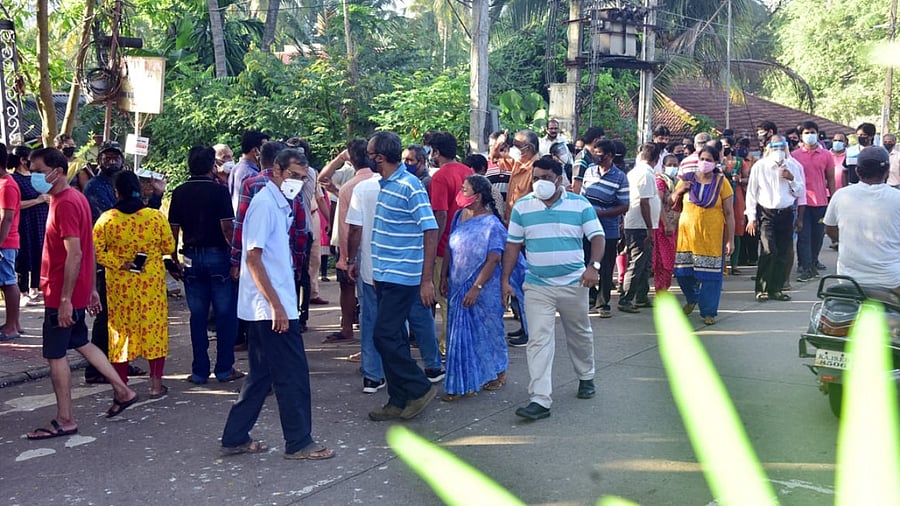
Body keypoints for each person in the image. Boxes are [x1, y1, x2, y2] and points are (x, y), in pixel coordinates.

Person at [220, 148, 334, 461]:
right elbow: (252, 257)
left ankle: (235, 436)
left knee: (262, 374)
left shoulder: (281, 203)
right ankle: (298, 442)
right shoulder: (265, 204)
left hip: (270, 306)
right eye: (292, 176)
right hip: (270, 308)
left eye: (301, 178)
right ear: (277, 172)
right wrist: (277, 306)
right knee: (292, 374)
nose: (296, 183)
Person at [25, 148, 139, 439]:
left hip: (61, 292)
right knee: (82, 342)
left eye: (38, 171)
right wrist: (89, 290)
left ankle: (65, 418)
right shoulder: (75, 197)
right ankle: (123, 390)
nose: (34, 176)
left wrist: (65, 299)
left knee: (55, 355)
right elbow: (87, 248)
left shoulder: (65, 203)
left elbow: (74, 253)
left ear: (57, 171)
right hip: (73, 290)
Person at [501, 155, 603, 421]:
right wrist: (505, 280)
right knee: (538, 341)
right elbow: (513, 245)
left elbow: (597, 236)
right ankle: (540, 400)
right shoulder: (523, 207)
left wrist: (594, 267)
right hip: (537, 286)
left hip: (574, 283)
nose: (539, 183)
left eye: (545, 178)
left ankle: (586, 376)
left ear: (559, 179)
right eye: (536, 178)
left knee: (579, 334)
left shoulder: (579, 204)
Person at [353, 131, 439, 422]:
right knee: (393, 336)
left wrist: (426, 279)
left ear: (379, 157)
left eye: (371, 152)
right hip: (385, 275)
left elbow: (430, 229)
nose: (368, 157)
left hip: (404, 275)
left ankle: (418, 387)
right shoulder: (386, 184)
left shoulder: (409, 185)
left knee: (383, 334)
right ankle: (398, 398)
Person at [93, 171, 174, 397]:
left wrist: (120, 263)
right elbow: (169, 246)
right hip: (151, 285)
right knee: (154, 330)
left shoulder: (107, 219)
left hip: (120, 286)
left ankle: (122, 387)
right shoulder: (155, 217)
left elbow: (95, 252)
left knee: (120, 333)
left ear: (116, 192)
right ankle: (156, 386)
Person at [169, 146, 242, 385]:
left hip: (190, 256)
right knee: (224, 313)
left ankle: (199, 370)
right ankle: (224, 368)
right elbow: (227, 228)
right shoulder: (219, 192)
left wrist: (172, 259)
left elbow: (173, 230)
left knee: (197, 315)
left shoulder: (179, 192)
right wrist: (235, 257)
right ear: (212, 165)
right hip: (218, 255)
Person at [82, 141, 151, 383]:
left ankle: (120, 361)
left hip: (127, 262)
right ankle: (96, 369)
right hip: (106, 261)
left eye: (115, 156)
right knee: (106, 316)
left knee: (123, 316)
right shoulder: (95, 187)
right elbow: (115, 216)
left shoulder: (119, 183)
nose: (111, 160)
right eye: (107, 156)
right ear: (99, 159)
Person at [439, 175, 510, 401]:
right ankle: (464, 382)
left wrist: (477, 287)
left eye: (465, 190)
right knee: (458, 335)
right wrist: (443, 275)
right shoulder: (459, 216)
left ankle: (497, 372)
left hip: (484, 288)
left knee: (488, 333)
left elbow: (494, 259)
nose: (461, 194)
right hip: (457, 284)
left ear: (477, 196)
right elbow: (450, 246)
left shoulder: (492, 225)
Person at [672, 146, 735, 325]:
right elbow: (670, 201)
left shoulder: (722, 182)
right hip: (687, 235)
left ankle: (708, 312)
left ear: (716, 162)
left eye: (709, 160)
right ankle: (692, 298)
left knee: (711, 277)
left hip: (711, 236)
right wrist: (679, 190)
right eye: (702, 159)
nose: (705, 163)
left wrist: (730, 240)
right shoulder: (687, 179)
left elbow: (729, 213)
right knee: (683, 273)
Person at [824, 146, 900, 293]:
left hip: (849, 280)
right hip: (891, 281)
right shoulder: (897, 198)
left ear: (857, 171)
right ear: (888, 171)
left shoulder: (841, 196)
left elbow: (830, 229)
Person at [316, 140, 370, 343]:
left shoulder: (351, 184)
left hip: (349, 240)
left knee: (348, 286)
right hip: (367, 240)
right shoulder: (376, 180)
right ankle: (357, 330)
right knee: (368, 290)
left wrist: (346, 257)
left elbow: (322, 178)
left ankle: (349, 328)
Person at [426, 132, 474, 355]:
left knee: (443, 296)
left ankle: (448, 346)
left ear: (436, 152)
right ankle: (463, 342)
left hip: (445, 245)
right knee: (461, 296)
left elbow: (441, 215)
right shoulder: (468, 172)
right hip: (467, 244)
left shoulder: (439, 177)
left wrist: (434, 245)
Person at [745, 135, 806, 302]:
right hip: (766, 213)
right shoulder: (760, 166)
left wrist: (791, 179)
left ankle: (776, 288)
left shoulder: (794, 166)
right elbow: (751, 193)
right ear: (769, 148)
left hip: (786, 213)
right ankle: (762, 288)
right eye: (775, 147)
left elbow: (800, 192)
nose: (779, 151)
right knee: (768, 250)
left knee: (783, 252)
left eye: (782, 147)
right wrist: (751, 217)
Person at [578, 139, 629, 318]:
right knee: (586, 262)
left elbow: (624, 206)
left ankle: (603, 302)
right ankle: (591, 297)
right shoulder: (590, 171)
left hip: (608, 228)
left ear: (608, 156)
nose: (594, 156)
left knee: (606, 266)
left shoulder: (620, 177)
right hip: (587, 227)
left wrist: (601, 213)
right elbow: (582, 196)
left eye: (598, 153)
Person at [619, 143, 662, 313]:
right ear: (656, 159)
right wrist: (649, 228)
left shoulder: (638, 172)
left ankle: (642, 296)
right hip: (640, 225)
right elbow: (644, 202)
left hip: (641, 224)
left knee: (645, 263)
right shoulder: (645, 174)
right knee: (637, 262)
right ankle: (626, 298)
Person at [792, 121, 835, 282]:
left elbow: (830, 178)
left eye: (812, 132)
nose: (810, 135)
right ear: (801, 136)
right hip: (802, 202)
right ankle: (805, 265)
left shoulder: (826, 155)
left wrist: (833, 199)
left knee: (817, 236)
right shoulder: (795, 156)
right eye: (807, 133)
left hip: (821, 202)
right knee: (804, 235)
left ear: (817, 134)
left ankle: (813, 260)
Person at [11, 146, 49, 307]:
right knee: (25, 255)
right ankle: (23, 291)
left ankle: (35, 288)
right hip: (24, 222)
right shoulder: (14, 179)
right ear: (22, 160)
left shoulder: (37, 177)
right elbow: (14, 204)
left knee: (39, 252)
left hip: (40, 220)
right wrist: (38, 200)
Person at [0, 143, 22, 340]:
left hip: (5, 242)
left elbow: (6, 217)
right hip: (5, 241)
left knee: (8, 282)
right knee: (6, 281)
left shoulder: (7, 185)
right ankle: (13, 323)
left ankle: (12, 326)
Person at [653, 154, 680, 294]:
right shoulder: (661, 181)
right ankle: (660, 289)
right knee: (663, 260)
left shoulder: (676, 181)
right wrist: (666, 223)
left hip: (674, 224)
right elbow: (658, 202)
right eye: (670, 165)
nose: (673, 168)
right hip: (663, 225)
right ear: (663, 166)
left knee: (670, 258)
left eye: (676, 165)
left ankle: (665, 288)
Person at [227, 130, 269, 213]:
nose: (268, 153)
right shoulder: (252, 174)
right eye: (265, 149)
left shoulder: (235, 169)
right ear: (255, 150)